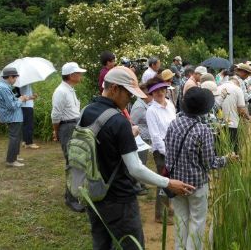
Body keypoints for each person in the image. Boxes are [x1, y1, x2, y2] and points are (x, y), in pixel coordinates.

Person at [80, 67, 194, 250]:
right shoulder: (119, 122)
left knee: (101, 243)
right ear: (115, 88)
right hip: (120, 199)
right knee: (132, 245)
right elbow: (136, 169)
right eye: (128, 93)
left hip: (94, 191)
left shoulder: (86, 111)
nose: (131, 99)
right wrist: (168, 183)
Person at [165, 87, 227, 250]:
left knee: (181, 219)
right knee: (197, 221)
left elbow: (168, 154)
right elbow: (209, 163)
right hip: (196, 184)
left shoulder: (174, 123)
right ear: (204, 109)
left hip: (176, 183)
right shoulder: (202, 130)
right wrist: (227, 160)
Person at [51, 62, 87, 212]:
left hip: (72, 126)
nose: (80, 75)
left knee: (77, 160)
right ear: (71, 75)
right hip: (67, 127)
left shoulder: (69, 90)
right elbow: (55, 115)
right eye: (78, 73)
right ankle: (71, 198)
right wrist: (57, 131)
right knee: (73, 162)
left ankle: (73, 194)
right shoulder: (61, 91)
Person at [145, 76, 176, 224]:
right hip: (161, 151)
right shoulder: (151, 111)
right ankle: (161, 215)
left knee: (172, 179)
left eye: (162, 89)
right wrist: (167, 153)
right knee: (163, 181)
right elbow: (156, 137)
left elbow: (175, 124)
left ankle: (169, 209)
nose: (160, 92)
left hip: (173, 146)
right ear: (151, 93)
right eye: (155, 91)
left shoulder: (170, 104)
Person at [0, 67, 29, 167]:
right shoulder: (3, 87)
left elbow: (9, 101)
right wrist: (21, 100)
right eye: (15, 78)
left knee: (16, 137)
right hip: (12, 117)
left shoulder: (2, 86)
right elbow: (11, 106)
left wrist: (18, 98)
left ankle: (15, 156)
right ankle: (11, 160)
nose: (16, 80)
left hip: (13, 116)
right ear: (10, 77)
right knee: (14, 138)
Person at [216, 72, 250, 154]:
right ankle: (235, 164)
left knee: (219, 147)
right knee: (234, 148)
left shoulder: (218, 87)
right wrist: (248, 117)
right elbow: (241, 110)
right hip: (232, 123)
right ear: (237, 83)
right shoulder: (237, 89)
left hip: (218, 123)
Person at [130, 83, 153, 195]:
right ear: (145, 95)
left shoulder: (144, 104)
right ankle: (136, 186)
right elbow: (132, 121)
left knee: (142, 162)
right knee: (139, 162)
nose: (152, 97)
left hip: (144, 137)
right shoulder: (139, 106)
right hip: (140, 138)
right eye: (150, 94)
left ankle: (140, 183)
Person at [20, 84, 40, 149]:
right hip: (27, 106)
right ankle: (29, 143)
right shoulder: (25, 83)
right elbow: (24, 96)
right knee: (29, 125)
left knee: (25, 125)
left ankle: (24, 141)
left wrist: (33, 95)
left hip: (23, 106)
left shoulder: (21, 83)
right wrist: (33, 97)